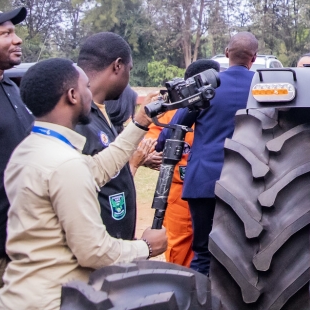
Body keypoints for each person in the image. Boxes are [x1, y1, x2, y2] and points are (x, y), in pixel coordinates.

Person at [0, 59, 167, 310]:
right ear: (72, 95)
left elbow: (99, 167)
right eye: (86, 87)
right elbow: (94, 251)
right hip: (53, 301)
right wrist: (146, 247)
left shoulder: (33, 147)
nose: (90, 93)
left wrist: (139, 123)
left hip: (24, 294)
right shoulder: (64, 164)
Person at [172, 32, 258, 275]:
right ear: (254, 57)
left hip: (203, 182)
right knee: (244, 254)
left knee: (203, 253)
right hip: (248, 184)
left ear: (226, 53)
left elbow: (176, 126)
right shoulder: (262, 86)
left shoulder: (207, 86)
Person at [148, 58, 220, 267]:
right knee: (180, 249)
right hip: (179, 193)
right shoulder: (174, 111)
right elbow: (151, 143)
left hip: (211, 191)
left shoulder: (219, 110)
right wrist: (149, 156)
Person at [0, 6, 31, 309]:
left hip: (18, 250)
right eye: (5, 33)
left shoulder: (12, 88)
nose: (17, 39)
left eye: (14, 32)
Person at [75, 33, 142, 240]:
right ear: (118, 66)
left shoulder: (103, 113)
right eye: (129, 70)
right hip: (97, 251)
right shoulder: (79, 120)